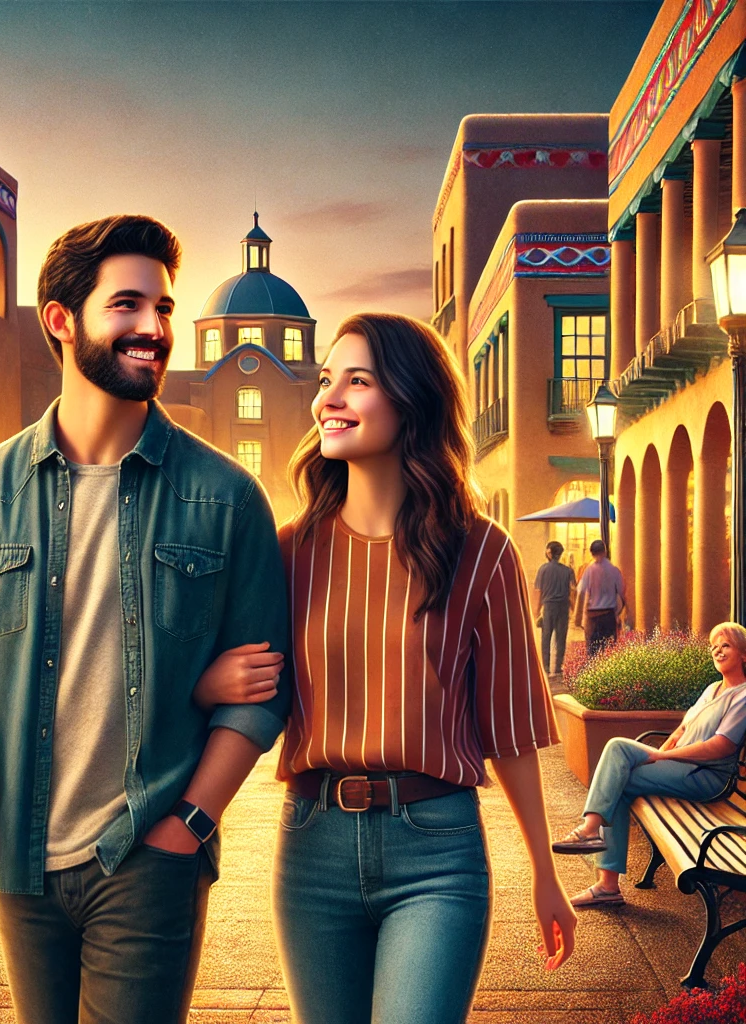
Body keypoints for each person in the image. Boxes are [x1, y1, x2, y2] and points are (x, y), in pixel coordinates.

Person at [0, 214, 290, 1024]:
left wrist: (186, 826)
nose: (153, 328)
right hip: (22, 856)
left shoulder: (224, 498)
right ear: (61, 319)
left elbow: (260, 693)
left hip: (148, 850)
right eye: (126, 306)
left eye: (164, 308)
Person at [195, 313, 576, 1024]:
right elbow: (223, 680)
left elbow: (512, 736)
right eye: (325, 381)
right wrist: (208, 683)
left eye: (358, 381)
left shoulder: (483, 553)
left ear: (411, 400)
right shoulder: (286, 552)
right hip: (310, 846)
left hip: (438, 851)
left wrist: (546, 877)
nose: (328, 399)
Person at [552, 621, 746, 907]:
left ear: (743, 653)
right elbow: (682, 729)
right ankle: (605, 880)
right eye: (713, 646)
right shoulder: (712, 688)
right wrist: (659, 752)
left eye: (725, 645)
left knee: (618, 750)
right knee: (619, 781)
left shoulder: (742, 695)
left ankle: (592, 838)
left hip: (705, 776)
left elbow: (722, 746)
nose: (717, 651)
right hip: (682, 768)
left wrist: (662, 757)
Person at [574, 539, 626, 657]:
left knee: (593, 651)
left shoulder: (588, 570)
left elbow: (580, 589)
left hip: (592, 616)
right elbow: (621, 591)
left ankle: (593, 673)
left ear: (591, 553)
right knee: (608, 650)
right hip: (608, 615)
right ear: (605, 551)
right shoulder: (614, 570)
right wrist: (618, 612)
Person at [534, 540, 577, 679]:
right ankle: (558, 667)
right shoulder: (568, 571)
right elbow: (573, 591)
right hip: (563, 606)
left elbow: (539, 592)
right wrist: (574, 609)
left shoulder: (543, 569)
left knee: (546, 637)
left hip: (548, 607)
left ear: (549, 553)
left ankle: (546, 667)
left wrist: (536, 610)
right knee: (561, 637)